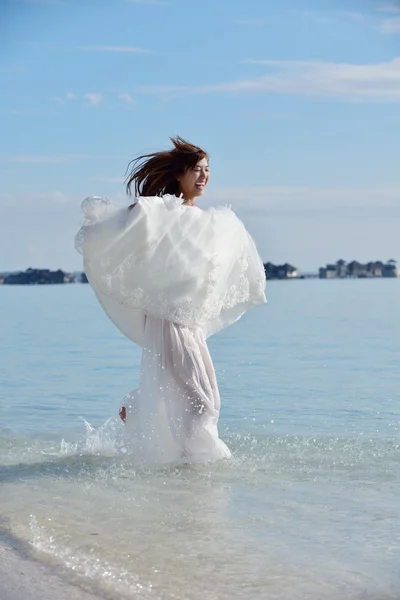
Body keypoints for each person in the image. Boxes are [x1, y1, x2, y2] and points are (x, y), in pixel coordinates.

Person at [75, 137, 266, 465]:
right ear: (179, 175)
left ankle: (137, 412)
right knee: (206, 405)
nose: (204, 176)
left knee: (188, 395)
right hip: (169, 320)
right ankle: (203, 464)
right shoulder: (162, 211)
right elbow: (138, 217)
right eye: (196, 170)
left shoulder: (210, 221)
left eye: (207, 170)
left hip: (188, 324)